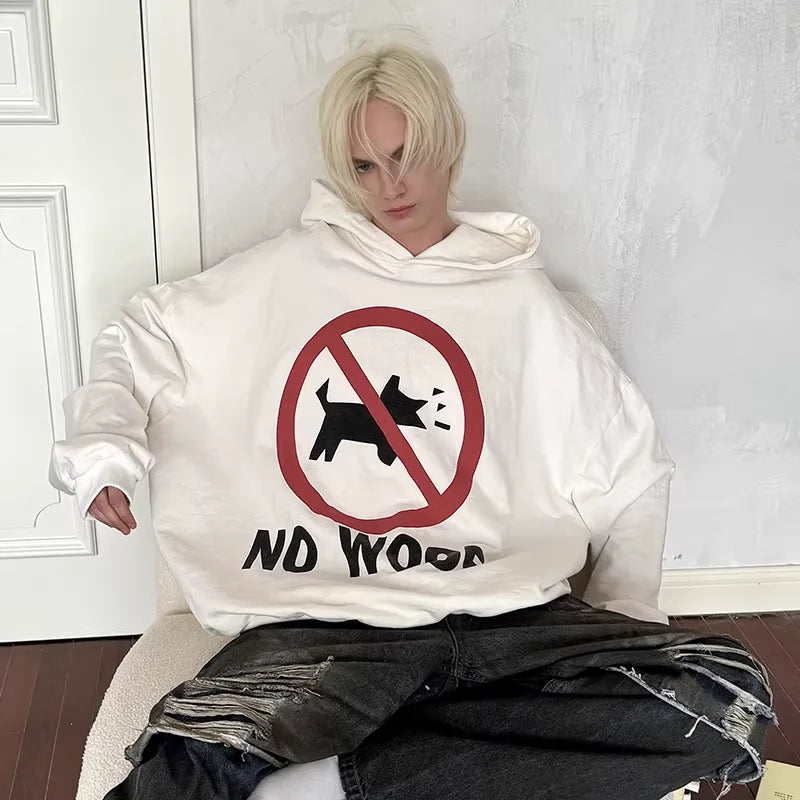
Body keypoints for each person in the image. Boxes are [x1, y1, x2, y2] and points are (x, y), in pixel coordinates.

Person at [49, 42, 775, 800]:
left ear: (447, 145)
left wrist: (622, 623)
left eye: (408, 156)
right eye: (365, 166)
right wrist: (105, 452)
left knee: (726, 698)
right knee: (183, 768)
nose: (391, 186)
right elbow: (139, 337)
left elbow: (633, 467)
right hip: (327, 626)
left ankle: (324, 787)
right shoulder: (283, 275)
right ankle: (428, 762)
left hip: (511, 623)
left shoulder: (522, 304)